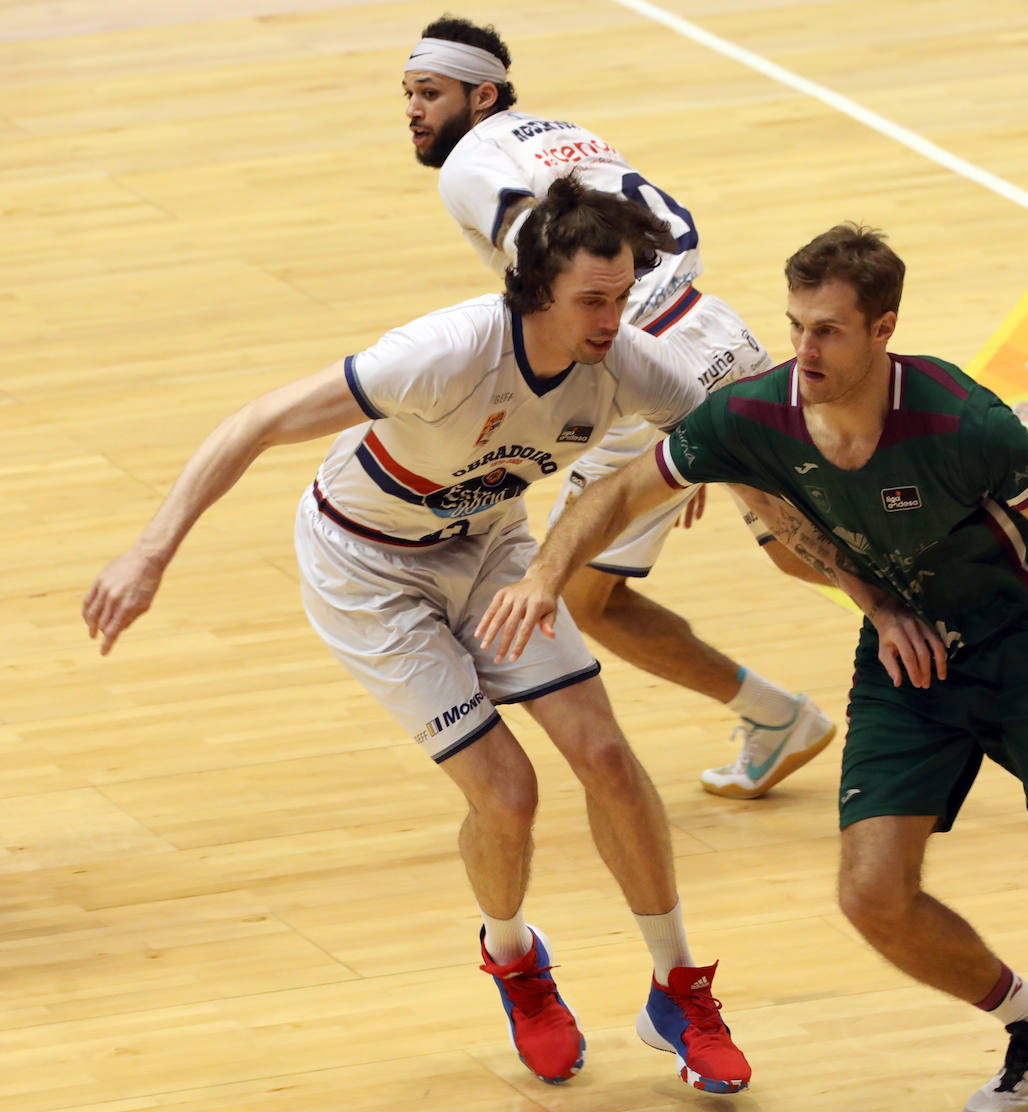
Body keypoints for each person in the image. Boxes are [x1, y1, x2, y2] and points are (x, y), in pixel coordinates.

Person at [476, 224, 1028, 1111]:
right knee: (872, 895)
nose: (804, 350)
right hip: (909, 664)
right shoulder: (755, 415)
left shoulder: (958, 420)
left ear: (882, 329)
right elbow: (621, 490)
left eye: (826, 331)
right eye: (795, 326)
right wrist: (547, 576)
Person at [82, 179, 753, 1095]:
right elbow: (254, 422)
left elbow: (715, 433)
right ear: (535, 293)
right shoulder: (443, 354)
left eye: (623, 295)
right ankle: (514, 958)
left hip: (490, 552)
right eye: (592, 301)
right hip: (368, 572)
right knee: (508, 795)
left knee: (603, 754)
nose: (612, 318)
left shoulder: (628, 361)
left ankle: (675, 988)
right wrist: (150, 553)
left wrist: (693, 473)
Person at [401, 15, 835, 799]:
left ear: (482, 93)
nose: (414, 110)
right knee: (788, 545)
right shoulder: (565, 132)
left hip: (643, 361)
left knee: (583, 591)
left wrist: (660, 424)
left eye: (430, 93)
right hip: (711, 328)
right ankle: (810, 700)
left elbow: (553, 262)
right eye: (409, 94)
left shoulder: (468, 164)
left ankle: (936, 640)